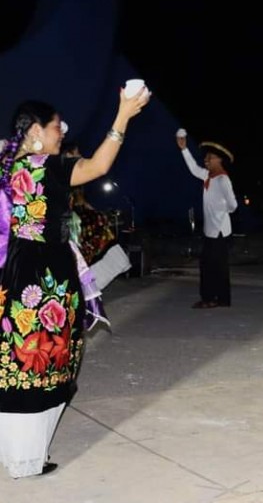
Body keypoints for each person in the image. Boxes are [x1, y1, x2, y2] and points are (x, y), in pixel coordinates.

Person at [0, 88, 150, 478]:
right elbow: (99, 166)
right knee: (46, 355)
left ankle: (17, 454)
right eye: (54, 128)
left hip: (14, 267)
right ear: (35, 130)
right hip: (45, 271)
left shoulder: (5, 166)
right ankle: (26, 460)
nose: (60, 134)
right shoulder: (46, 166)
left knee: (16, 354)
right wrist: (123, 115)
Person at [176, 136, 238, 309]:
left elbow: (233, 205)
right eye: (206, 158)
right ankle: (218, 299)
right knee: (210, 265)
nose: (206, 161)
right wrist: (184, 149)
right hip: (210, 230)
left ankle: (213, 299)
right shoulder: (208, 177)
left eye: (209, 158)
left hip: (219, 230)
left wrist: (222, 209)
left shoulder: (222, 180)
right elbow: (193, 168)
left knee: (215, 267)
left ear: (219, 160)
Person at [62, 141, 132, 289]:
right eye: (76, 152)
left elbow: (81, 199)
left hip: (79, 215)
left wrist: (93, 210)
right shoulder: (63, 172)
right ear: (68, 154)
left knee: (100, 221)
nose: (80, 155)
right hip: (70, 218)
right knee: (95, 225)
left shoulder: (77, 172)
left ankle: (92, 277)